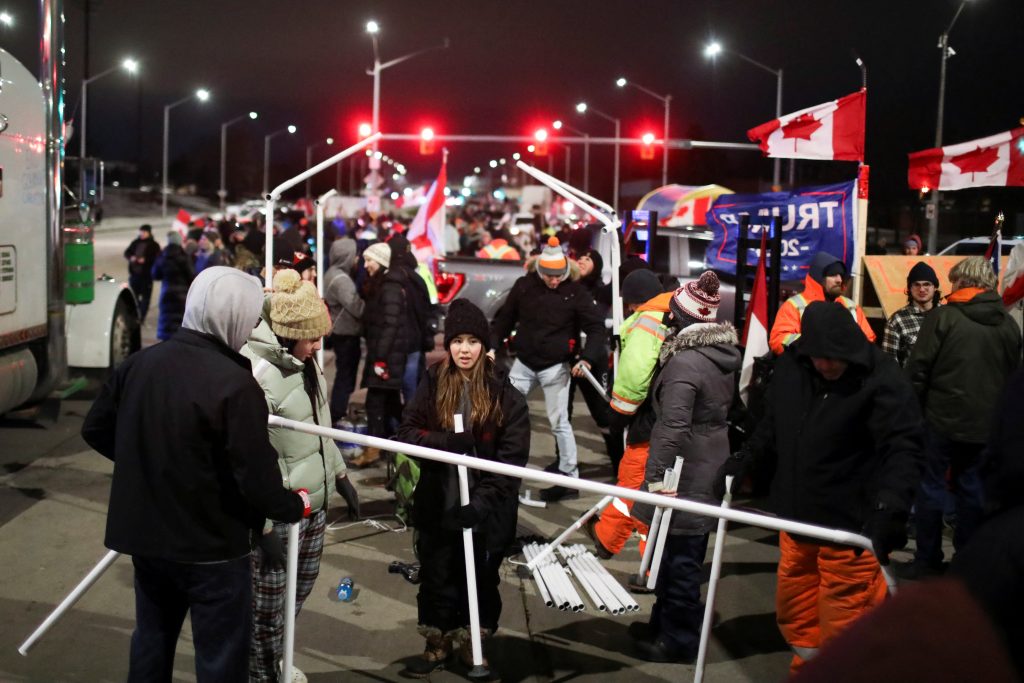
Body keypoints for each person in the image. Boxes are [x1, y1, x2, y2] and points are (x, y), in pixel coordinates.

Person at [81, 267, 311, 683]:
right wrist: (294, 505)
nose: (249, 328)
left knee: (151, 640)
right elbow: (255, 478)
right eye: (249, 318)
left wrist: (147, 464)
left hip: (147, 538)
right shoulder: (236, 385)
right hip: (213, 547)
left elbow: (94, 429)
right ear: (231, 316)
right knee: (220, 657)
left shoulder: (140, 364)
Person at [718, 301, 922, 675]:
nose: (826, 365)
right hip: (797, 521)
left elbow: (903, 448)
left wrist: (891, 507)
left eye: (834, 358)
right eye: (819, 357)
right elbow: (773, 423)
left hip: (849, 527)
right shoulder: (794, 367)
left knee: (845, 620)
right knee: (797, 613)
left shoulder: (882, 379)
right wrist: (745, 458)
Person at [396, 299, 530, 678]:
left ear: (485, 346)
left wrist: (482, 504)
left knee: (481, 578)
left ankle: (476, 641)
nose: (464, 349)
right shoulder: (434, 381)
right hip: (439, 499)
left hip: (487, 508)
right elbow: (407, 433)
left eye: (473, 341)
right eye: (457, 340)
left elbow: (511, 461)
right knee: (438, 572)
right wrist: (444, 442)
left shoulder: (505, 393)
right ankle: (437, 640)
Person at [242, 269, 360, 683]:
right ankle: (261, 675)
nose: (318, 345)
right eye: (312, 337)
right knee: (266, 612)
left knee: (295, 599)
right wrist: (265, 525)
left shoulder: (307, 363)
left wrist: (340, 476)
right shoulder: (256, 378)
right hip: (281, 514)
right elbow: (248, 461)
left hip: (315, 505)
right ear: (288, 333)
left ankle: (276, 660)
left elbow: (319, 427)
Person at [629, 272, 741, 663]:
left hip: (685, 470)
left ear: (682, 318)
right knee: (676, 554)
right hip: (708, 462)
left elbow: (672, 427)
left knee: (680, 560)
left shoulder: (685, 364)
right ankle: (663, 625)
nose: (666, 319)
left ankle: (677, 640)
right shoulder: (720, 356)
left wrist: (654, 478)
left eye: (671, 314)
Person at [899, 256, 1022, 579]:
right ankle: (967, 563)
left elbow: (918, 369)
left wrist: (911, 412)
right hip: (986, 426)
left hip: (940, 421)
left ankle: (927, 559)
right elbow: (1013, 376)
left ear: (964, 283)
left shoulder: (943, 317)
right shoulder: (1008, 323)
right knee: (972, 492)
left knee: (931, 489)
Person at [490, 237, 607, 502]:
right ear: (540, 270)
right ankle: (499, 468)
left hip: (556, 366)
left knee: (559, 422)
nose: (554, 281)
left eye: (558, 276)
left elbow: (596, 328)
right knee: (504, 414)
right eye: (549, 276)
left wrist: (587, 358)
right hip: (524, 362)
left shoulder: (576, 292)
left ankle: (569, 476)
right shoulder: (523, 286)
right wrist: (492, 346)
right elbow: (505, 319)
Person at [586, 268, 667, 559]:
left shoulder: (646, 322)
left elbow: (633, 378)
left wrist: (616, 415)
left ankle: (649, 567)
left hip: (650, 421)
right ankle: (606, 538)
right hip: (669, 419)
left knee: (639, 488)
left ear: (632, 302)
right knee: (636, 487)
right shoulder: (673, 314)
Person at [353, 242, 414, 468]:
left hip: (387, 358)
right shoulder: (385, 284)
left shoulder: (389, 287)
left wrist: (380, 358)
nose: (366, 265)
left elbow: (391, 324)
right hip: (386, 355)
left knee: (376, 403)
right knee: (389, 404)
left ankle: (374, 450)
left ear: (380, 261)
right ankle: (404, 447)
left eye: (369, 261)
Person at [769, 251, 875, 355]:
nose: (839, 279)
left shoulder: (851, 306)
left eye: (841, 275)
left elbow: (869, 340)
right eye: (833, 274)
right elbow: (778, 340)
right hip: (805, 369)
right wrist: (815, 344)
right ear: (818, 278)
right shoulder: (794, 306)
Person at [323, 237, 365, 423]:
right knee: (345, 377)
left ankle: (337, 413)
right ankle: (337, 415)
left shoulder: (333, 273)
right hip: (346, 333)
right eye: (354, 255)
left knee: (344, 374)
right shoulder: (340, 279)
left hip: (341, 332)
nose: (357, 259)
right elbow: (357, 307)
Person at [881, 262, 941, 367]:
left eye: (927, 284)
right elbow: (889, 364)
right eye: (916, 284)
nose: (922, 289)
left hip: (943, 381)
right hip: (911, 382)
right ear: (909, 288)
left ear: (935, 287)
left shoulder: (947, 315)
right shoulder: (897, 321)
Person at [152, 230, 195, 342]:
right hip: (182, 294)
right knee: (180, 319)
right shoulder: (184, 256)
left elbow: (155, 274)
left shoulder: (163, 255)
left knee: (166, 318)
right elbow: (191, 276)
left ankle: (165, 341)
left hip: (167, 292)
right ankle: (179, 342)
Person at [123, 224, 161, 324]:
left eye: (144, 232)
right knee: (133, 297)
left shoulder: (154, 245)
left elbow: (157, 259)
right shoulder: (135, 243)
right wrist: (131, 257)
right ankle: (135, 315)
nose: (142, 234)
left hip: (147, 276)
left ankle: (141, 318)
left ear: (149, 233)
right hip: (134, 275)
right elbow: (127, 252)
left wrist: (146, 260)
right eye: (141, 232)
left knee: (145, 298)